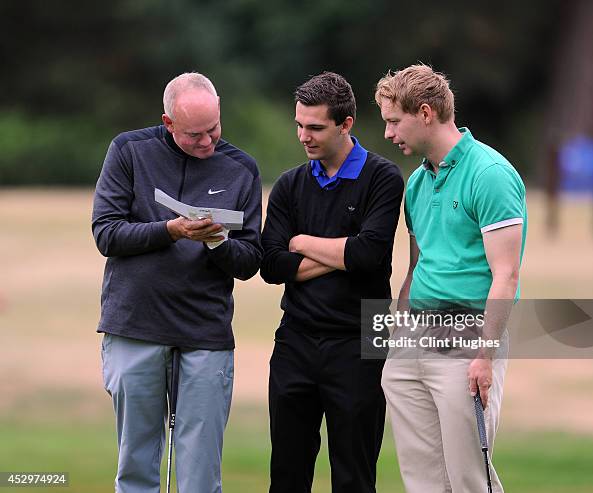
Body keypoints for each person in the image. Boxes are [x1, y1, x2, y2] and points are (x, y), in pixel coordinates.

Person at [92, 72, 262, 493]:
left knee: (200, 474)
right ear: (168, 123)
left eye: (213, 130)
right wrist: (171, 230)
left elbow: (249, 261)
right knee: (136, 466)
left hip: (205, 331)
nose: (207, 142)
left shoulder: (242, 168)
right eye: (194, 135)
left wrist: (218, 242)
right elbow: (106, 232)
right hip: (135, 324)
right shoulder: (129, 150)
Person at [375, 64, 527, 493]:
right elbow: (415, 268)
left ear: (424, 113)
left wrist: (485, 355)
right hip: (414, 340)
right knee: (422, 481)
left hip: (468, 340)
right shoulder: (418, 183)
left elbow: (507, 275)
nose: (388, 134)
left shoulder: (490, 174)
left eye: (393, 121)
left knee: (468, 478)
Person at [260, 72, 405, 493]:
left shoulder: (384, 177)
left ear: (345, 124)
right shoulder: (289, 184)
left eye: (315, 127)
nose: (303, 136)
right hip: (296, 337)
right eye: (299, 125)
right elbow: (271, 265)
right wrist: (343, 253)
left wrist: (301, 242)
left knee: (354, 474)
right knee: (287, 472)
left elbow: (368, 256)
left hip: (366, 332)